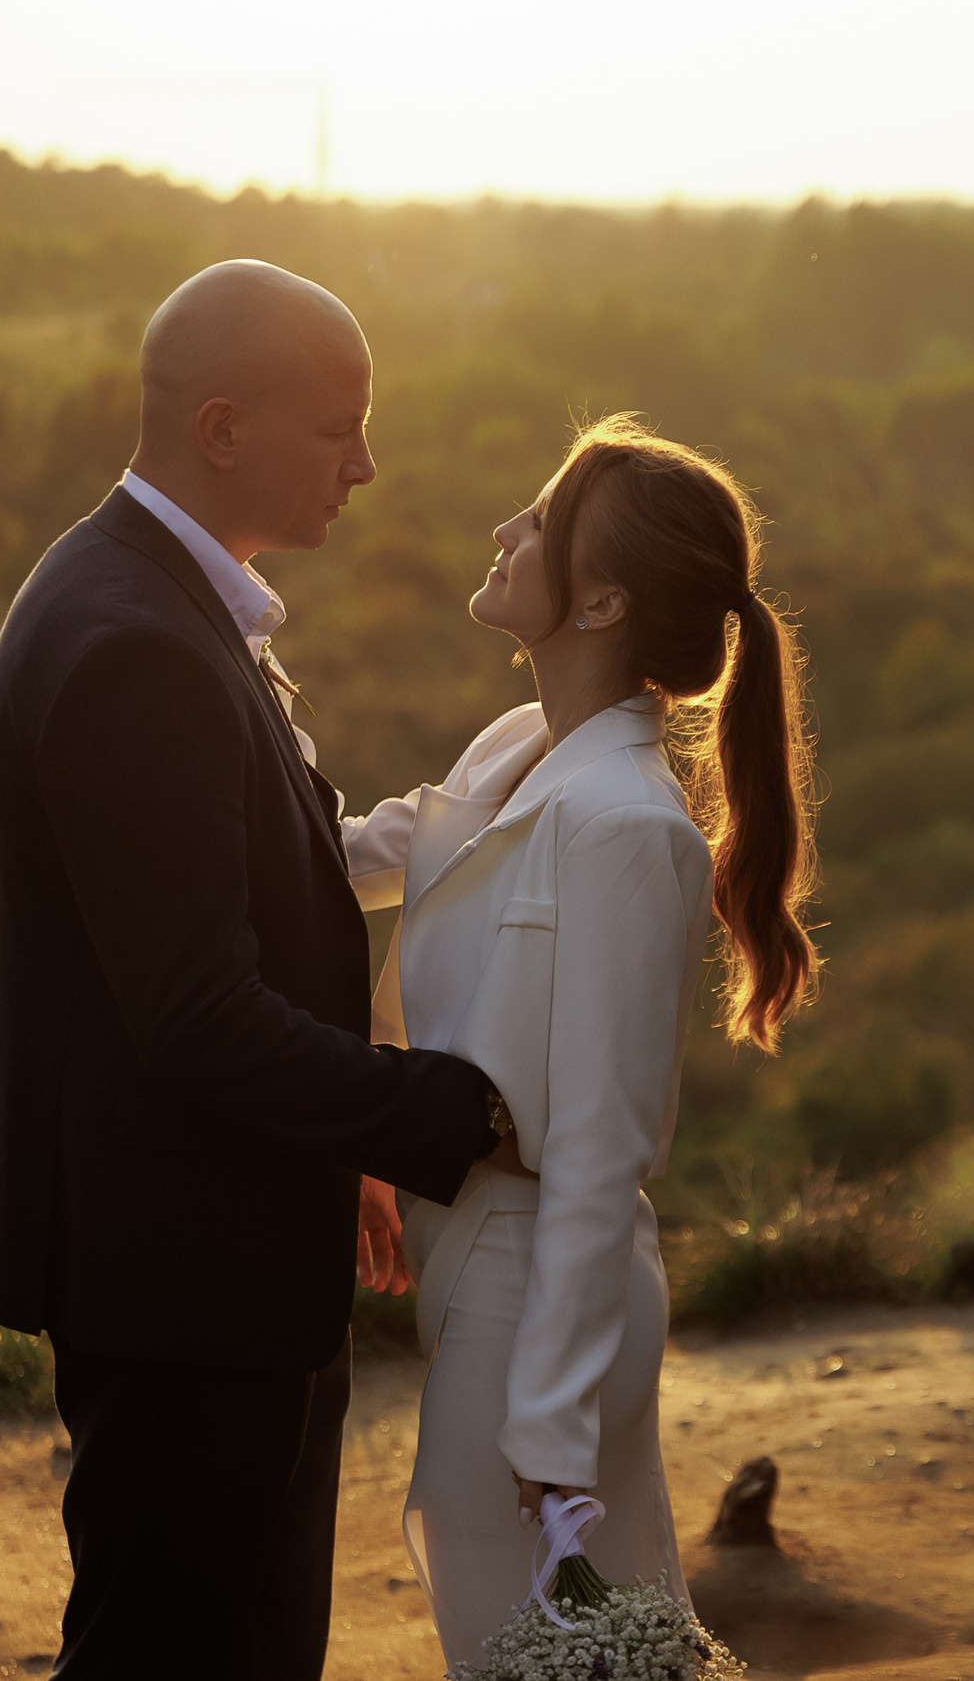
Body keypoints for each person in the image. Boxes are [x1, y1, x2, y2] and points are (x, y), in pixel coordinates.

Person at [0, 261, 511, 1680]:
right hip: (174, 1256)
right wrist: (442, 1111)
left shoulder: (155, 598)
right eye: (340, 426)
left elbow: (244, 884)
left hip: (216, 1227)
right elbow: (194, 1009)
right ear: (224, 426)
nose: (368, 465)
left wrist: (341, 1141)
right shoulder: (133, 643)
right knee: (174, 1649)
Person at [340, 414, 817, 1668]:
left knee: (538, 1654)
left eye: (541, 521)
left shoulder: (627, 826)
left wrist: (551, 1439)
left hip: (542, 1283)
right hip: (477, 1261)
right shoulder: (514, 751)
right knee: (553, 1655)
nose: (506, 530)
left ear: (600, 601)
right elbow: (345, 861)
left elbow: (600, 1153)